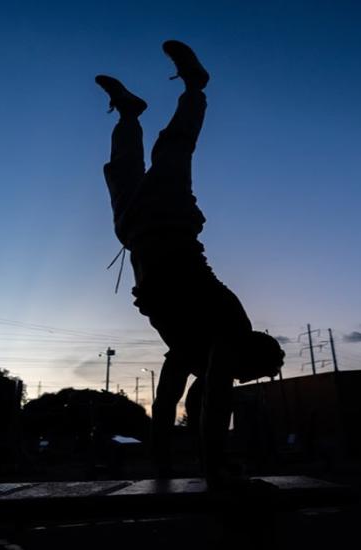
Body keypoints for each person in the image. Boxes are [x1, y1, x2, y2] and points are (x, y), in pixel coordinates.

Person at [95, 40, 285, 489]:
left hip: (134, 232)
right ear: (249, 358)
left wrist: (161, 466)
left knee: (122, 168)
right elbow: (214, 401)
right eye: (246, 372)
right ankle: (196, 87)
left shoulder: (186, 348)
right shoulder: (228, 329)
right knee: (172, 151)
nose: (234, 376)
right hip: (170, 221)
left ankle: (128, 112)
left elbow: (166, 402)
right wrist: (212, 466)